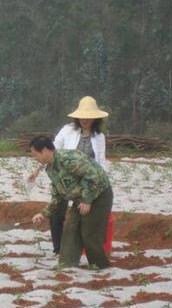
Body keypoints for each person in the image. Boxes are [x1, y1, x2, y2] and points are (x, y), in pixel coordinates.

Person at [28, 96, 108, 254]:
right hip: (64, 177)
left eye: (88, 118)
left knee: (83, 213)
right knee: (57, 211)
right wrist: (37, 169)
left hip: (86, 180)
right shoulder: (67, 130)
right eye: (82, 117)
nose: (85, 120)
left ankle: (83, 249)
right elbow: (49, 151)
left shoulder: (99, 137)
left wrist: (96, 189)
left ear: (95, 119)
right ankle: (58, 248)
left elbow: (100, 161)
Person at [29, 136, 113, 269]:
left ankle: (99, 267)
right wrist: (43, 213)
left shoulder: (68, 159)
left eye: (35, 154)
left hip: (99, 195)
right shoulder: (51, 169)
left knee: (89, 232)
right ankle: (66, 266)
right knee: (70, 228)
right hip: (81, 199)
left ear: (44, 150)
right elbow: (58, 195)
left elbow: (92, 176)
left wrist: (87, 199)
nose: (35, 159)